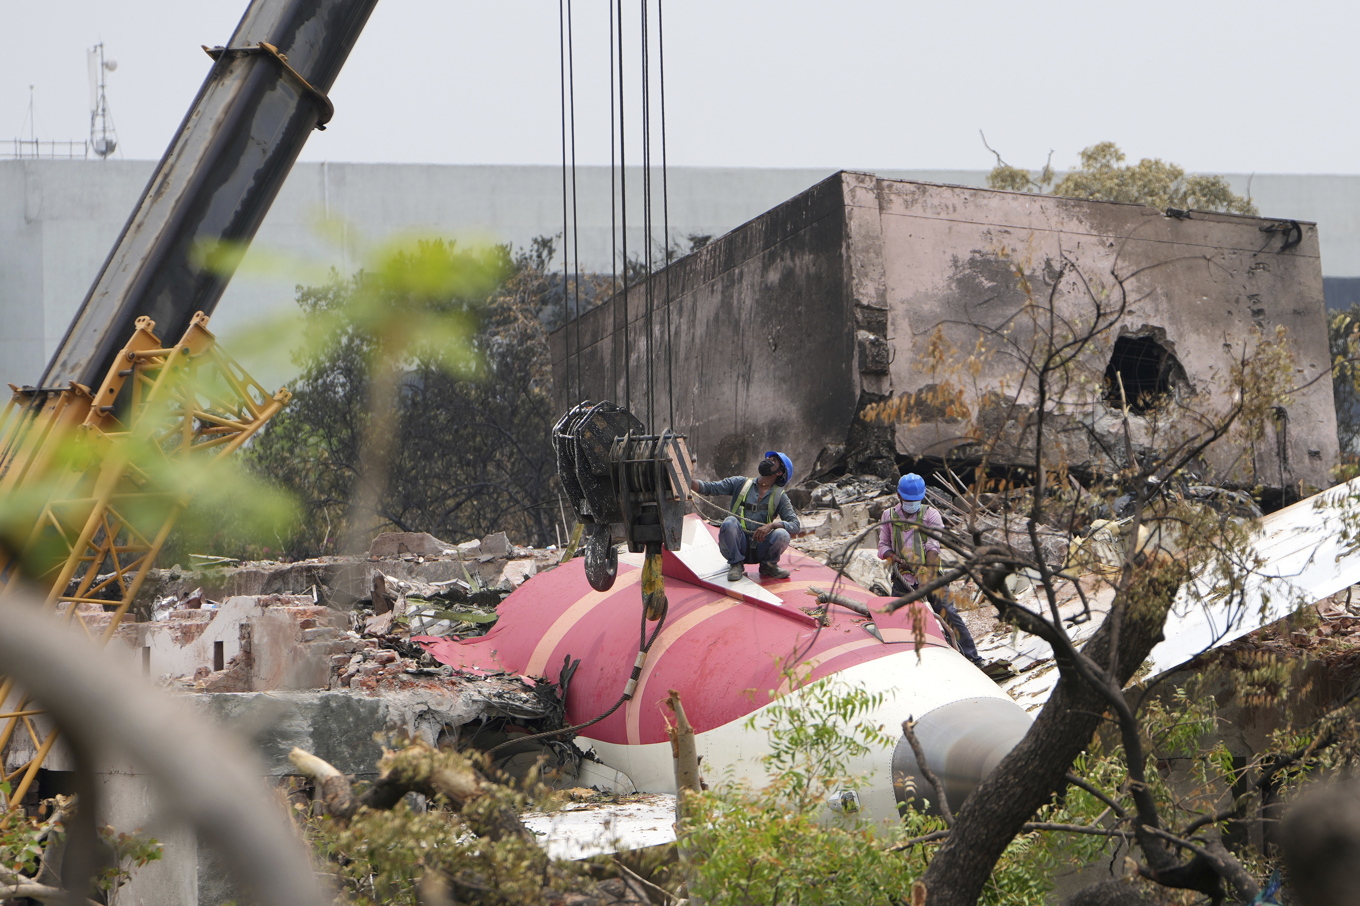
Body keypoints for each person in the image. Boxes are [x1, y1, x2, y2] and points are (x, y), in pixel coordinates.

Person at [878, 473, 985, 668]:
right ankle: (908, 663)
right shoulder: (889, 516)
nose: (912, 504)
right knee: (899, 621)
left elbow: (933, 547)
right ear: (899, 497)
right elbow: (883, 546)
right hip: (904, 579)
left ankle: (972, 658)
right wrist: (894, 559)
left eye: (916, 501)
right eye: (909, 501)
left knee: (948, 614)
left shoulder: (930, 515)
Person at [690, 451, 801, 581]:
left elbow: (795, 525)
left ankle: (768, 566)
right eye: (769, 458)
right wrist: (686, 480)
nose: (768, 460)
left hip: (761, 546)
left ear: (779, 472)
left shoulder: (780, 496)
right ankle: (736, 564)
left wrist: (772, 525)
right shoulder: (740, 483)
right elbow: (709, 488)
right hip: (738, 544)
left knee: (782, 534)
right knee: (729, 522)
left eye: (773, 460)